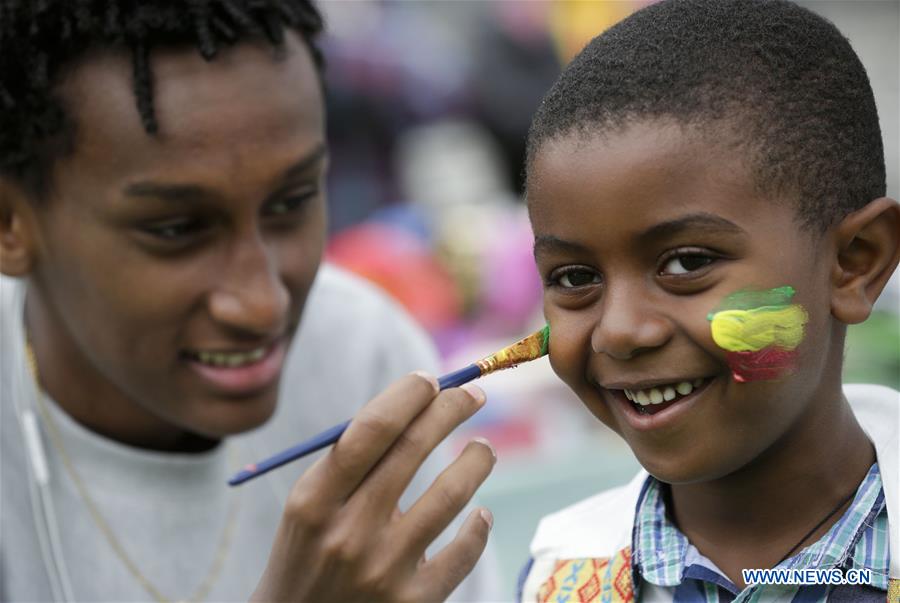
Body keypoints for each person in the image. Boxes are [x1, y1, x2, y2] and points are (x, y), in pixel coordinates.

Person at [0, 2, 501, 601]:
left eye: (291, 203)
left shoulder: (362, 350)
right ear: (11, 223)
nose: (262, 306)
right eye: (176, 229)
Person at [518, 0, 899, 601]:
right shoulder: (559, 579)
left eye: (687, 264)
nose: (618, 332)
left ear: (855, 262)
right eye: (574, 277)